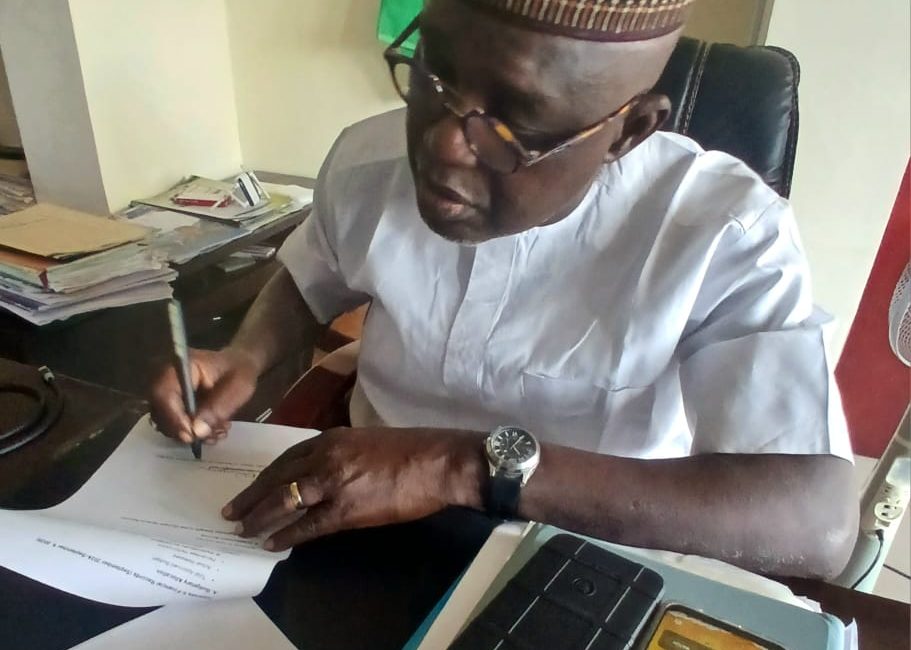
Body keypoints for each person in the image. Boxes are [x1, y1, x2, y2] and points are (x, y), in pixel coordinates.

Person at [151, 0, 857, 578]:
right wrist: (245, 357)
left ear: (629, 131)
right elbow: (310, 277)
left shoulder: (723, 232)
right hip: (361, 526)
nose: (441, 144)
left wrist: (453, 465)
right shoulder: (367, 160)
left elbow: (811, 522)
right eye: (433, 75)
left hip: (585, 555)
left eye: (514, 125)